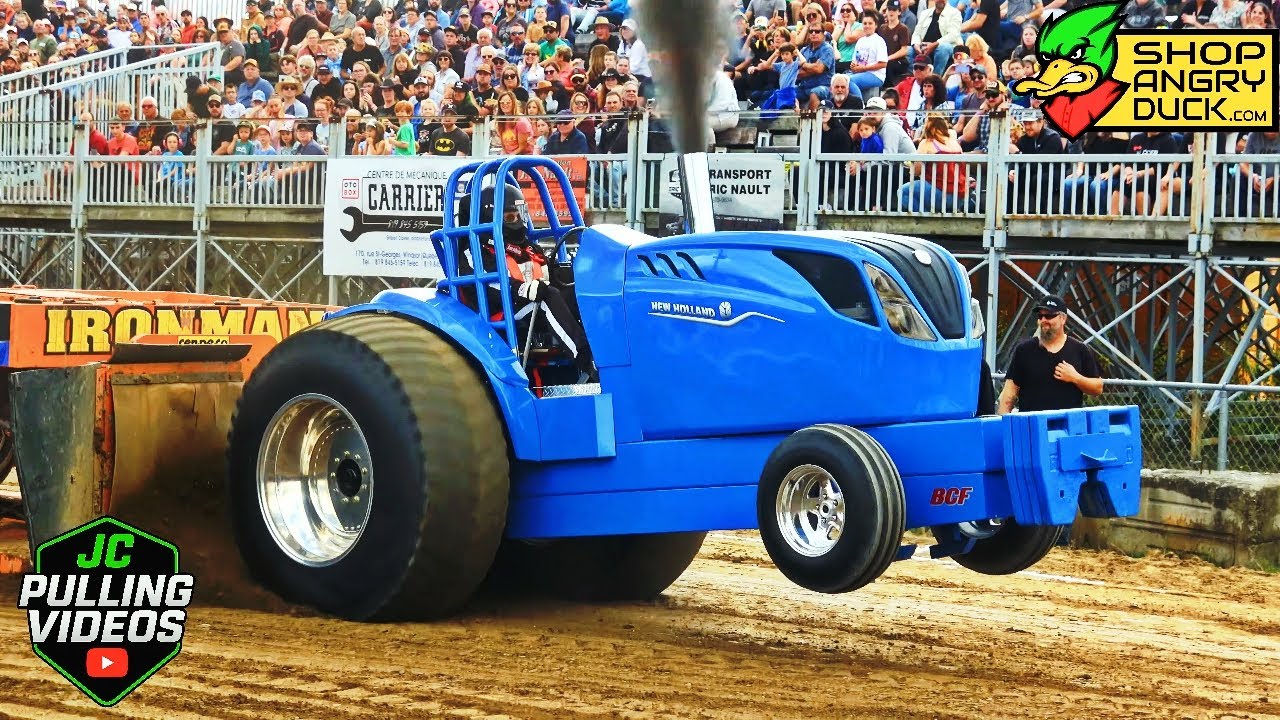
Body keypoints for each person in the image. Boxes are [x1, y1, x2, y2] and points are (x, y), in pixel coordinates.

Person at [456, 183, 597, 383]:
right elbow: (482, 287)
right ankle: (587, 360)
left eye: (521, 215)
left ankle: (608, 351)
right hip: (502, 309)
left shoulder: (527, 247)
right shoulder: (474, 251)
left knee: (575, 290)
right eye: (510, 217)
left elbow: (547, 271)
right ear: (489, 219)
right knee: (549, 297)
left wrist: (564, 274)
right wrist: (521, 289)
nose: (518, 222)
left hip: (531, 305)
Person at [998, 294, 1103, 414]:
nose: (1043, 320)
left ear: (1063, 319)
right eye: (1040, 316)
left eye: (1049, 315)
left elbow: (1098, 388)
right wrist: (1003, 427)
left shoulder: (1080, 350)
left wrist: (1075, 378)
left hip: (1067, 427)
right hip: (1032, 427)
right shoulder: (1024, 350)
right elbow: (1009, 394)